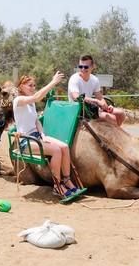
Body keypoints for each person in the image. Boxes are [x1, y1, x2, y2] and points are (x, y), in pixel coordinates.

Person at [14, 72, 86, 202]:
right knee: (56, 150)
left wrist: (43, 135)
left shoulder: (31, 104)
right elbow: (37, 97)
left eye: (34, 85)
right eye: (30, 85)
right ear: (21, 86)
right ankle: (57, 186)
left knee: (64, 146)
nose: (33, 88)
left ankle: (67, 180)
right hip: (26, 141)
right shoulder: (19, 100)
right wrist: (53, 82)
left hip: (37, 137)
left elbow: (36, 122)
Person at [67, 54, 125, 126]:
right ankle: (117, 134)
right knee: (108, 117)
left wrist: (106, 107)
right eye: (80, 66)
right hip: (78, 110)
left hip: (90, 108)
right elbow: (76, 97)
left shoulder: (94, 79)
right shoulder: (74, 79)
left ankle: (114, 133)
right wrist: (96, 101)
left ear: (93, 67)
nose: (83, 69)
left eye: (86, 67)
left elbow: (100, 97)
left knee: (121, 114)